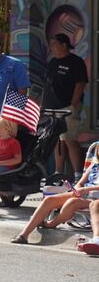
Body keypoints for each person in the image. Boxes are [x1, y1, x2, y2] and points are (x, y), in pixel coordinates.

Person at [12, 143, 99, 244]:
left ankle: (51, 224)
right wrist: (76, 189)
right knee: (49, 200)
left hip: (95, 199)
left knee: (71, 203)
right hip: (86, 195)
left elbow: (85, 188)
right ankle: (23, 235)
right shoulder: (94, 166)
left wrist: (86, 189)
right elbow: (80, 183)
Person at [42, 33, 89, 179]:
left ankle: (77, 174)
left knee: (69, 138)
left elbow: (80, 83)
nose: (51, 48)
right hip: (52, 108)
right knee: (56, 139)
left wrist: (73, 104)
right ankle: (58, 172)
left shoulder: (76, 62)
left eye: (54, 45)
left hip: (67, 107)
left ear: (64, 45)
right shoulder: (52, 62)